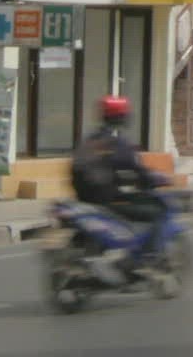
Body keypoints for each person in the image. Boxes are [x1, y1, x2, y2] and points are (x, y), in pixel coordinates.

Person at [71, 95, 169, 281]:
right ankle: (147, 260)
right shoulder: (117, 144)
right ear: (121, 117)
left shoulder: (89, 141)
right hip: (109, 201)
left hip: (85, 200)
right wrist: (153, 179)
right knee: (157, 214)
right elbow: (137, 169)